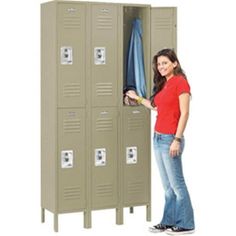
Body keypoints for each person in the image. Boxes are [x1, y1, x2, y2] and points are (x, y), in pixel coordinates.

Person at [126, 48, 195, 235]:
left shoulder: (180, 83)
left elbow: (185, 113)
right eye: (159, 64)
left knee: (177, 185)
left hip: (170, 139)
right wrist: (137, 98)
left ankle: (187, 224)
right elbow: (154, 106)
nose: (161, 66)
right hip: (158, 138)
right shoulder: (164, 84)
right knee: (167, 187)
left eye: (165, 63)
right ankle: (168, 221)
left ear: (175, 63)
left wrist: (177, 139)